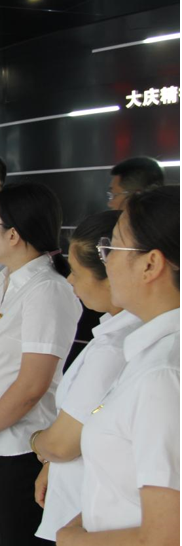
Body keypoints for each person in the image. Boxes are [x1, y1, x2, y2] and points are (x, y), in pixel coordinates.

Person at [0, 182, 82, 546]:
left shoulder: (47, 289)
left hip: (20, 451)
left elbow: (32, 385)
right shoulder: (1, 283)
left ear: (13, 234)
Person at [57, 185, 179, 546]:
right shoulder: (147, 352)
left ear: (150, 264)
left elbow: (165, 536)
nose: (105, 262)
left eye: (111, 248)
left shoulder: (162, 375)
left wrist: (71, 539)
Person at [31, 210, 141, 541]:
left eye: (77, 272)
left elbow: (63, 444)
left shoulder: (115, 347)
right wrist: (51, 462)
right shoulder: (113, 333)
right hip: (81, 505)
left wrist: (38, 442)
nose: (70, 281)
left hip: (90, 517)